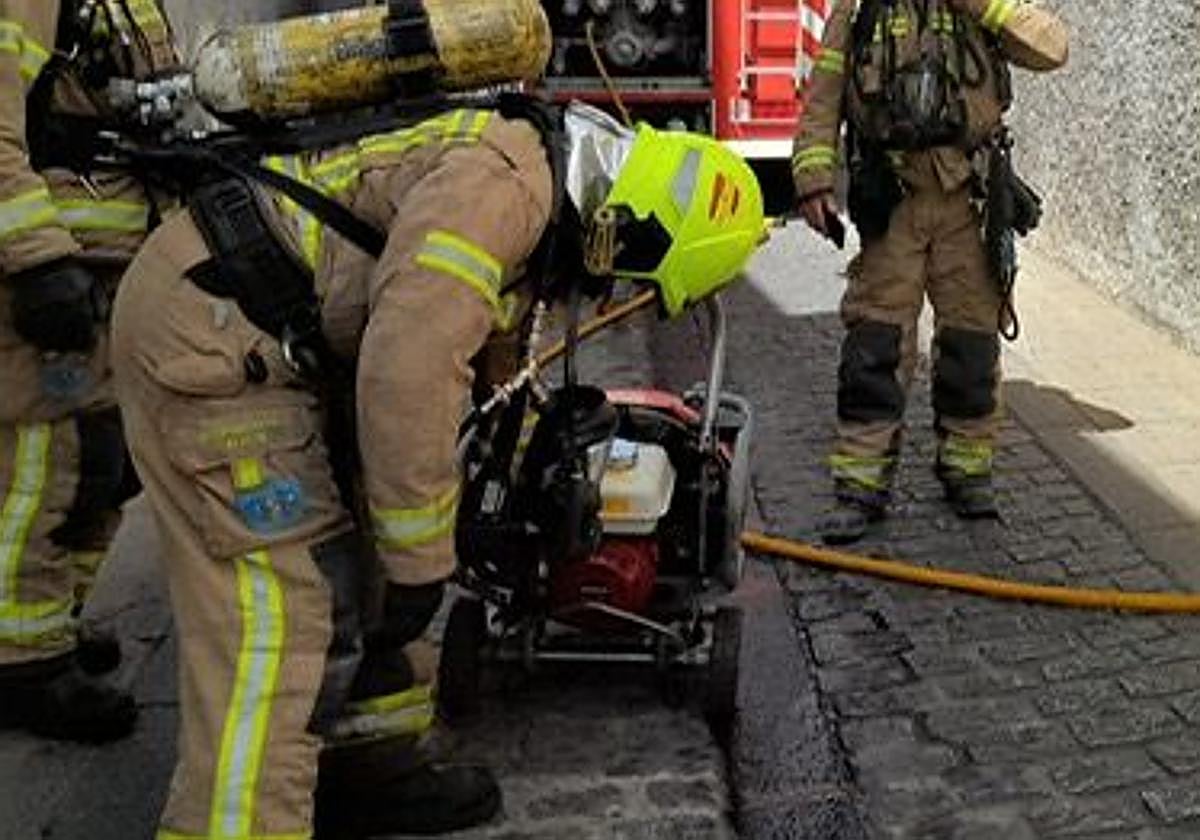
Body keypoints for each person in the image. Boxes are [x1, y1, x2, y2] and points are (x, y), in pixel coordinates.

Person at [110, 89, 764, 836]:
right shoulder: (506, 191)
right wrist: (425, 556)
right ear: (638, 228)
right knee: (283, 621)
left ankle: (370, 765)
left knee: (384, 545)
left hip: (281, 342)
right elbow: (409, 365)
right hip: (213, 342)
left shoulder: (551, 193)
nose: (608, 291)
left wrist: (507, 474)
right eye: (629, 278)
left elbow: (481, 360)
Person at [792, 0, 1068, 544]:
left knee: (972, 339)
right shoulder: (859, 7)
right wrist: (814, 179)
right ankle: (860, 484)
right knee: (875, 341)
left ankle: (968, 467)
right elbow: (824, 91)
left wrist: (984, 8)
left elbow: (1053, 48)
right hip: (892, 198)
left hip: (969, 200)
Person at [0, 0, 178, 741]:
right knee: (51, 466)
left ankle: (51, 623)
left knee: (105, 464)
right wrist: (37, 262)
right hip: (49, 277)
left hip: (108, 270)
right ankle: (20, 663)